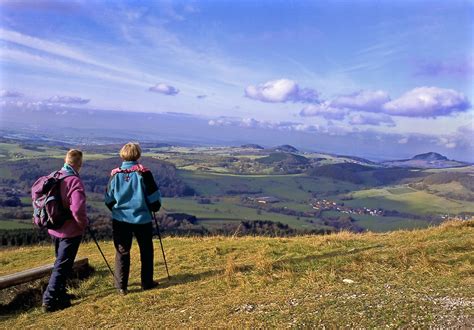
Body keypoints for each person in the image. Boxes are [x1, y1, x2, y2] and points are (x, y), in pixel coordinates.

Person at [105, 142, 162, 295]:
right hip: (142, 219)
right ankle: (147, 282)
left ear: (122, 155)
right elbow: (155, 200)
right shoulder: (144, 173)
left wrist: (117, 210)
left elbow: (108, 199)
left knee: (122, 251)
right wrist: (152, 208)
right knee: (146, 250)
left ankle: (121, 286)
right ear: (138, 154)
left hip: (120, 220)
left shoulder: (115, 175)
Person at [42, 149, 88, 312]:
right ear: (79, 163)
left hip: (54, 228)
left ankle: (60, 293)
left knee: (60, 262)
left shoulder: (55, 176)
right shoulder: (74, 181)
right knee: (62, 266)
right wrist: (83, 224)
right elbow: (77, 209)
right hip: (70, 231)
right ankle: (50, 299)